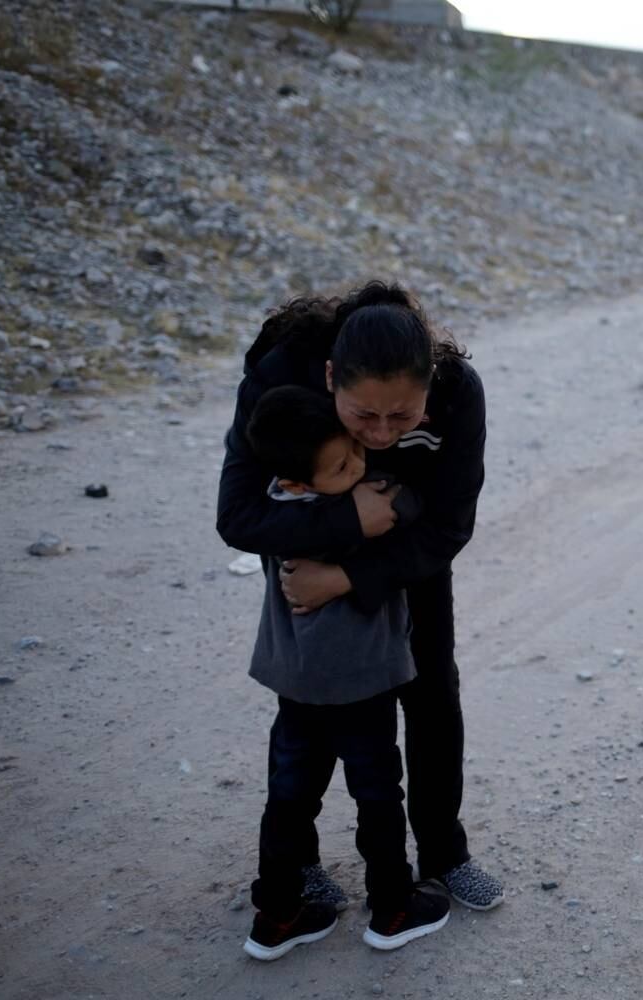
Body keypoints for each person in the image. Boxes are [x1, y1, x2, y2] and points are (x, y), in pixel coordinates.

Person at [216, 282, 503, 912]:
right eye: (362, 415)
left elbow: (450, 526)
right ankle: (300, 867)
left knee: (430, 692)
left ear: (429, 382)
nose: (380, 433)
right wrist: (348, 523)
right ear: (328, 379)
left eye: (402, 417)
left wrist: (352, 574)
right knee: (310, 713)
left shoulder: (459, 393)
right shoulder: (280, 377)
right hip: (307, 557)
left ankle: (443, 855)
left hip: (407, 557)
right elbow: (236, 515)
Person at [240, 385, 450, 960]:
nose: (359, 464)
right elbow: (409, 506)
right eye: (342, 463)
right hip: (362, 684)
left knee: (288, 798)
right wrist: (374, 502)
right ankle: (393, 907)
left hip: (296, 686)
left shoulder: (275, 514)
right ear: (298, 482)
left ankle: (277, 914)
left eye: (354, 455)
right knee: (378, 793)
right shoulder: (361, 509)